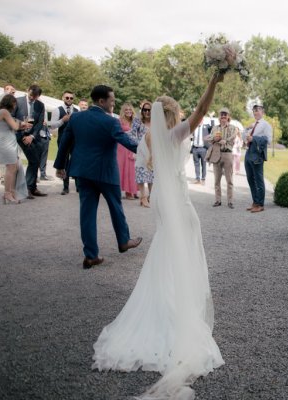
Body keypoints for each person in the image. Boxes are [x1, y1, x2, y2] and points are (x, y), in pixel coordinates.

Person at [92, 71, 225, 400]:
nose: (183, 116)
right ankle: (179, 309)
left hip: (163, 199)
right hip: (177, 199)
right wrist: (214, 80)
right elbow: (202, 109)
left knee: (168, 249)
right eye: (177, 112)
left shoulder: (152, 138)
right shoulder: (175, 134)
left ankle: (170, 302)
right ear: (173, 115)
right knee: (183, 246)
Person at [54, 85, 142, 269]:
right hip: (105, 172)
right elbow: (127, 142)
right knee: (115, 207)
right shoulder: (111, 122)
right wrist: (150, 151)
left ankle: (91, 255)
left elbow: (64, 142)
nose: (113, 103)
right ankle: (124, 241)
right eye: (112, 100)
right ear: (102, 101)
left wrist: (60, 165)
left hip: (83, 172)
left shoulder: (76, 117)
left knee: (86, 213)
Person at [0, 95, 31, 203]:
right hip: (6, 143)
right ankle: (7, 193)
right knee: (11, 168)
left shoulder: (1, 112)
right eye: (14, 104)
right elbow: (15, 126)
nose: (15, 106)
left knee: (14, 168)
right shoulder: (4, 112)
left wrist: (22, 126)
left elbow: (13, 127)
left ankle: (11, 192)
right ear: (10, 102)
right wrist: (21, 124)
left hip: (9, 141)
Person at [14, 84, 47, 198]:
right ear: (27, 90)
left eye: (35, 96)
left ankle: (33, 188)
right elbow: (11, 117)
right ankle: (27, 188)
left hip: (32, 137)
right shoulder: (17, 101)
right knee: (33, 160)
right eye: (31, 95)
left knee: (36, 161)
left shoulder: (40, 105)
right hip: (19, 135)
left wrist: (32, 136)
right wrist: (22, 130)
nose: (32, 98)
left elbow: (39, 123)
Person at [205, 107, 237, 208]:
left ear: (228, 117)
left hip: (227, 154)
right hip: (216, 154)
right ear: (219, 117)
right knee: (216, 180)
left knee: (229, 180)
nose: (223, 116)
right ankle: (218, 200)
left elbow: (231, 138)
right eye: (221, 115)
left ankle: (230, 201)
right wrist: (215, 139)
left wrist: (221, 140)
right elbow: (208, 138)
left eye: (225, 115)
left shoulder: (232, 128)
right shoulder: (215, 128)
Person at [243, 102, 272, 213]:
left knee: (258, 180)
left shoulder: (266, 125)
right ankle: (255, 202)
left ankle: (260, 204)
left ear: (263, 112)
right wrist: (246, 129)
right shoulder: (252, 124)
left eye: (258, 110)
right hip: (249, 152)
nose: (256, 112)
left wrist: (253, 139)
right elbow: (244, 136)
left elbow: (268, 140)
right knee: (250, 179)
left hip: (257, 154)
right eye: (254, 110)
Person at [48, 91, 78, 195]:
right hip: (63, 139)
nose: (69, 99)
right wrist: (62, 120)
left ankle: (78, 186)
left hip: (75, 140)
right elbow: (52, 126)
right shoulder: (57, 110)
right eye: (67, 98)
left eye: (71, 98)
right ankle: (65, 187)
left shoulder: (77, 110)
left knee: (75, 161)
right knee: (64, 162)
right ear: (63, 98)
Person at [132, 101, 153, 207]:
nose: (147, 112)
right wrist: (137, 146)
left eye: (149, 110)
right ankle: (143, 198)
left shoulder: (156, 122)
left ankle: (151, 196)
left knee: (151, 174)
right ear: (142, 110)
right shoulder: (138, 121)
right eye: (145, 110)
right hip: (141, 150)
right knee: (140, 174)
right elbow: (132, 134)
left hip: (153, 151)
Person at [116, 103, 137, 200]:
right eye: (126, 110)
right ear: (123, 111)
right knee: (122, 168)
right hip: (122, 147)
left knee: (132, 169)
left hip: (133, 146)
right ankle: (122, 192)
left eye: (130, 109)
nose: (128, 111)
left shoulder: (136, 121)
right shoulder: (119, 121)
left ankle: (132, 191)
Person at [191, 117, 209, 184]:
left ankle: (203, 179)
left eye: (200, 119)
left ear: (202, 120)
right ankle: (197, 178)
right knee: (196, 164)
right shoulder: (194, 127)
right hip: (195, 148)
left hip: (203, 149)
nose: (199, 121)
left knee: (203, 164)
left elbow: (212, 127)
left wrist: (211, 117)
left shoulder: (206, 127)